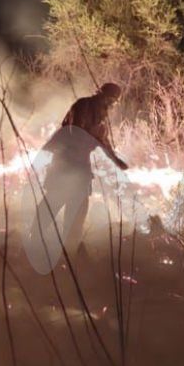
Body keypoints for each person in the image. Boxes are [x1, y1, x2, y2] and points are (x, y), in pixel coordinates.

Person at [34, 83, 129, 260]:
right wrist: (93, 135)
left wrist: (117, 161)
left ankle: (69, 252)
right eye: (110, 100)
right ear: (103, 95)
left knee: (77, 214)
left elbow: (103, 141)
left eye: (113, 102)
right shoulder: (83, 106)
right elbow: (76, 131)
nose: (111, 104)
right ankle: (34, 244)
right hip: (65, 164)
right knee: (53, 204)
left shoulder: (102, 116)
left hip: (81, 168)